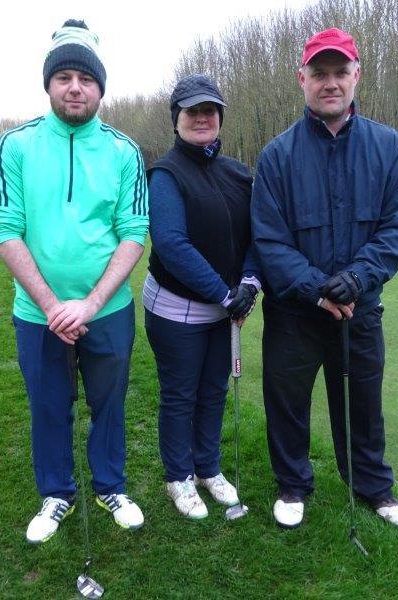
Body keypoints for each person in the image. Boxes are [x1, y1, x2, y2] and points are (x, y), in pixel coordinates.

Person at [251, 27, 398, 530]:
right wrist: (317, 290)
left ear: (356, 76)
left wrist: (358, 279)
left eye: (340, 72)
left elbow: (396, 228)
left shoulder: (389, 146)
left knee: (363, 407)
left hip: (359, 312)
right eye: (319, 73)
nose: (331, 82)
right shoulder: (277, 155)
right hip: (295, 314)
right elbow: (270, 240)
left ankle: (374, 488)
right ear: (301, 79)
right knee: (287, 404)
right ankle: (292, 485)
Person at [0, 19, 149, 543]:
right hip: (37, 314)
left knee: (109, 404)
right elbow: (6, 230)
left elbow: (133, 232)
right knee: (49, 407)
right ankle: (56, 493)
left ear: (101, 87)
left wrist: (90, 303)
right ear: (49, 84)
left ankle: (110, 486)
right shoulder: (15, 145)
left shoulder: (124, 151)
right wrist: (53, 306)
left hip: (108, 310)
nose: (75, 88)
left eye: (86, 78)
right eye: (64, 78)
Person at [143, 74, 261, 519]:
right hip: (177, 311)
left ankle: (208, 467)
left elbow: (258, 235)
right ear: (176, 119)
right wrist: (225, 294)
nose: (201, 118)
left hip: (225, 308)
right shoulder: (166, 173)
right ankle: (179, 477)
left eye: (209, 110)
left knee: (213, 390)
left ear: (220, 118)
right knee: (181, 395)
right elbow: (171, 244)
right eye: (192, 111)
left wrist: (250, 283)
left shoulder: (238, 173)